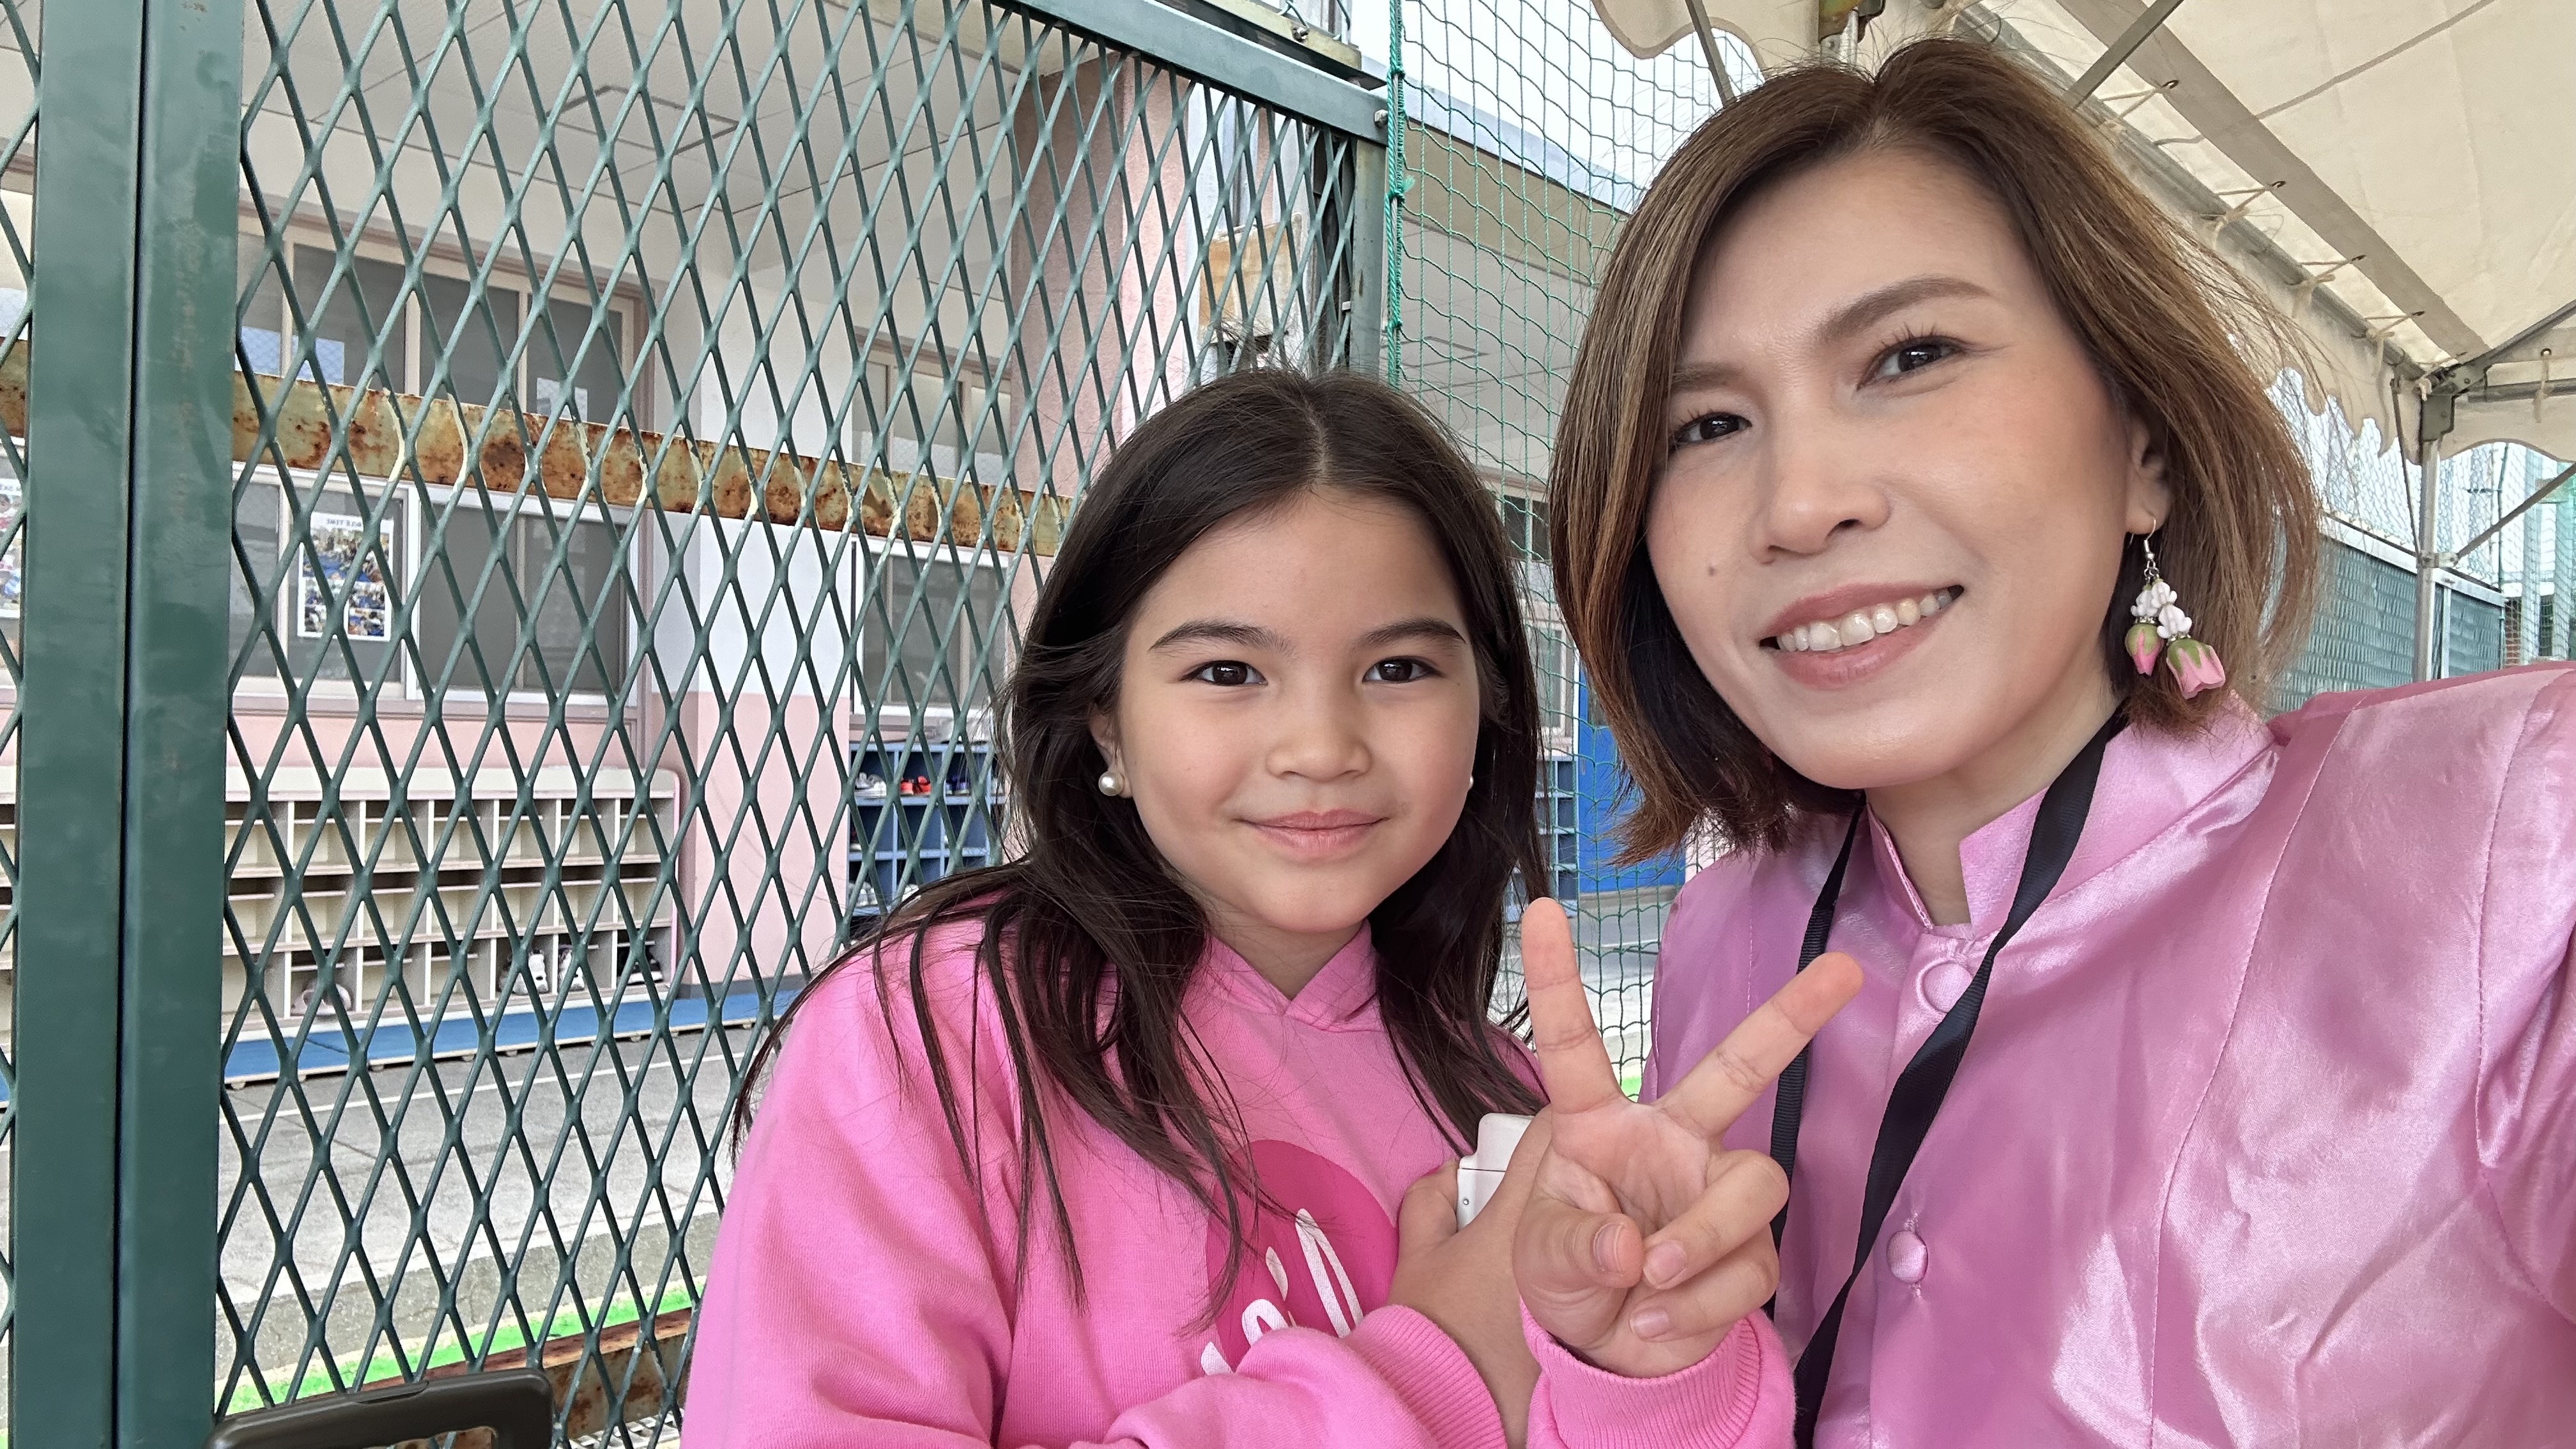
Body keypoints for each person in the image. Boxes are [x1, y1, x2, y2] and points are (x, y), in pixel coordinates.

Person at [1545, 38, 2576, 1447]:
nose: (1797, 503)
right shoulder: (1716, 943)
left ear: (2142, 443)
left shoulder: (2508, 841)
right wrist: (1637, 1367)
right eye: (1708, 424)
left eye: (1911, 357)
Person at [687, 368, 1847, 1446]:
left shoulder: (1513, 1106)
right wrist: (1432, 1373)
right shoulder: (934, 1041)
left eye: (1398, 670)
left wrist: (1647, 1348)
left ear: (1487, 710)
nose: (1320, 747)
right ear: (1105, 722)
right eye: (1227, 673)